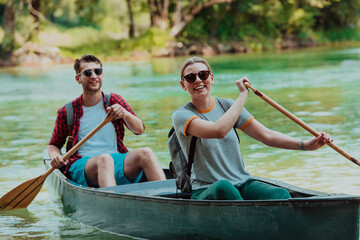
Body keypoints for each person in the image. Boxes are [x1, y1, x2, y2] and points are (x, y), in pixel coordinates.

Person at [172, 56, 332, 200]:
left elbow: (267, 136)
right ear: (183, 85)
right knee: (224, 187)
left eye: (203, 75)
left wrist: (307, 145)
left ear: (211, 78)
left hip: (242, 183)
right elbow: (218, 131)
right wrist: (242, 96)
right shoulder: (181, 115)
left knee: (280, 194)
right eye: (190, 77)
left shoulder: (228, 106)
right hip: (206, 190)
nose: (198, 80)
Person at [48, 54, 165, 187]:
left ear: (102, 75)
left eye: (97, 71)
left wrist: (125, 114)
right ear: (78, 78)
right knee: (105, 159)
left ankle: (167, 201)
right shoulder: (67, 111)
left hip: (116, 159)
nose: (93, 76)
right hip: (82, 164)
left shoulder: (114, 100)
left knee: (146, 153)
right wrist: (55, 157)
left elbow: (139, 130)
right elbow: (54, 145)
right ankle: (112, 203)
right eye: (87, 73)